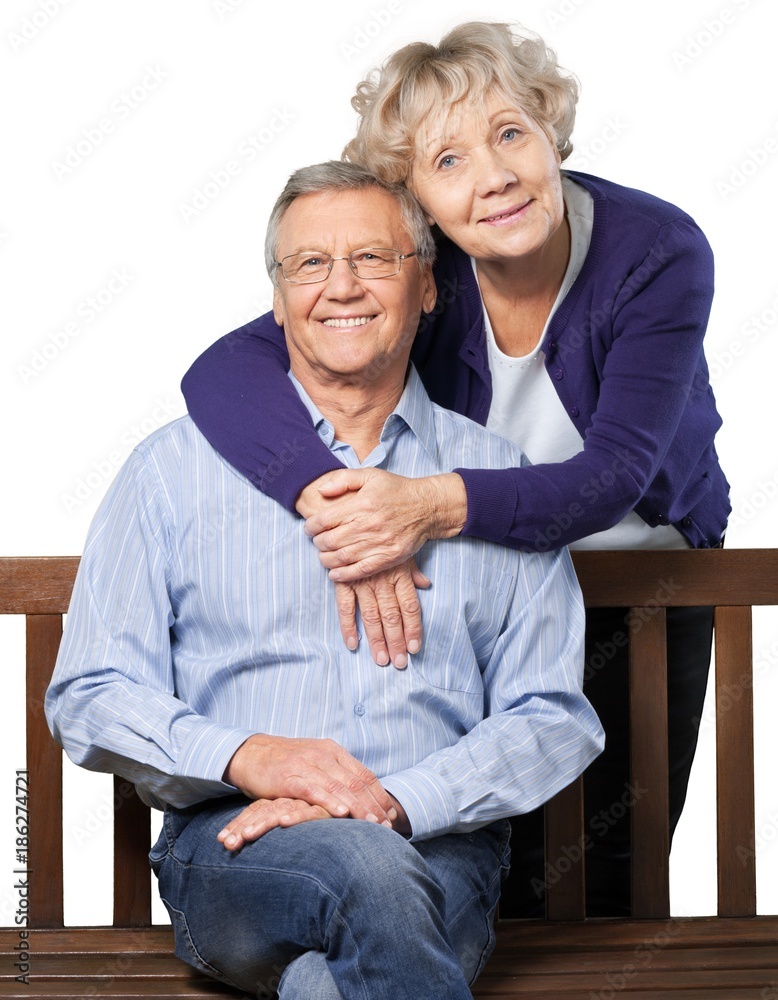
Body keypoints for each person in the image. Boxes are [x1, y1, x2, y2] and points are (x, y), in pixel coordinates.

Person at [179, 21, 730, 917]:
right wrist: (332, 497)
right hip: (491, 583)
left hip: (642, 576)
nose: (496, 176)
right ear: (417, 205)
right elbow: (223, 369)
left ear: (552, 132)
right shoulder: (420, 277)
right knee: (470, 858)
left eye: (511, 133)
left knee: (612, 876)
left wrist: (423, 506)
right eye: (449, 161)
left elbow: (613, 478)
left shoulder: (656, 252)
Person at [45, 162, 603, 999]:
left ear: (427, 288)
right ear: (276, 300)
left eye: (374, 259)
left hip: (435, 842)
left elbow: (552, 716)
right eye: (310, 264)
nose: (341, 287)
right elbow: (89, 691)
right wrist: (251, 755)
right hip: (234, 847)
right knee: (366, 872)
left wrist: (394, 801)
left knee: (328, 982)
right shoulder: (171, 471)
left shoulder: (494, 478)